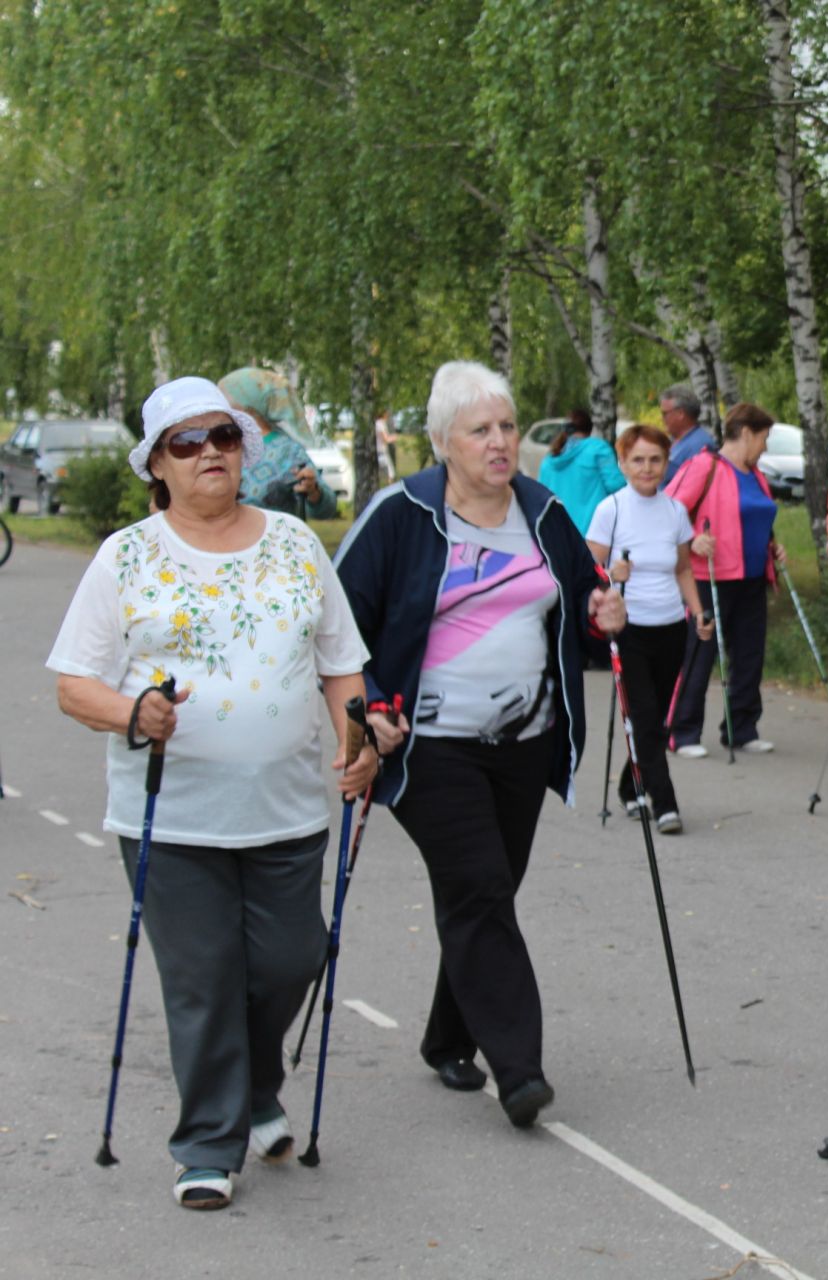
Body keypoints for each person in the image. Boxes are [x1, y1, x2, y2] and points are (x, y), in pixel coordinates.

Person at [47, 375, 376, 1211]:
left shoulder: (297, 544)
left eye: (221, 437)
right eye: (186, 443)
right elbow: (75, 686)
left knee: (292, 959)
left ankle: (257, 1086)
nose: (209, 455)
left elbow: (341, 665)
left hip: (290, 808)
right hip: (171, 814)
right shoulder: (126, 556)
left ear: (242, 448)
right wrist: (135, 711)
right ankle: (208, 1143)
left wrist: (359, 741)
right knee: (202, 978)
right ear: (158, 464)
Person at [333, 361, 627, 1130]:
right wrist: (370, 711)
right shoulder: (400, 514)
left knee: (483, 893)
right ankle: (520, 1070)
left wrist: (605, 611)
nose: (500, 444)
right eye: (481, 431)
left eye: (506, 426)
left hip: (525, 741)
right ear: (442, 442)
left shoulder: (544, 510)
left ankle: (445, 1036)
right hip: (430, 744)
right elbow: (336, 623)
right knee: (481, 887)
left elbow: (583, 597)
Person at [586, 423, 713, 832]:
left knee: (654, 718)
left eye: (655, 459)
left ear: (665, 464)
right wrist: (610, 572)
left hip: (671, 625)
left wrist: (698, 612)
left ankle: (629, 786)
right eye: (637, 459)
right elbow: (587, 572)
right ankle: (665, 803)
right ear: (622, 463)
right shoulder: (612, 509)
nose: (647, 468)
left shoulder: (675, 510)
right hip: (629, 627)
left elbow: (682, 569)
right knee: (642, 716)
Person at [662, 402, 785, 757]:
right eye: (763, 438)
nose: (764, 446)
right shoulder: (704, 465)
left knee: (749, 656)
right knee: (699, 654)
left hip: (751, 577)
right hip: (708, 578)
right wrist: (691, 540)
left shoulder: (755, 473)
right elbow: (668, 512)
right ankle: (682, 732)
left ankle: (741, 728)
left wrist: (772, 546)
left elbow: (754, 518)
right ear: (746, 433)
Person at [219, 366, 338, 520]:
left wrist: (313, 491)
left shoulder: (287, 451)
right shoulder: (220, 447)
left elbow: (326, 510)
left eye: (223, 401)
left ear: (247, 408)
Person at [539, 408, 625, 538]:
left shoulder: (549, 459)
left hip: (557, 535)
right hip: (592, 534)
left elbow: (540, 497)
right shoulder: (598, 449)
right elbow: (616, 486)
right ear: (590, 429)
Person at [660, 383, 715, 485]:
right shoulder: (671, 440)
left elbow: (694, 486)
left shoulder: (700, 446)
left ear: (680, 414)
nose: (662, 419)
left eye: (665, 414)